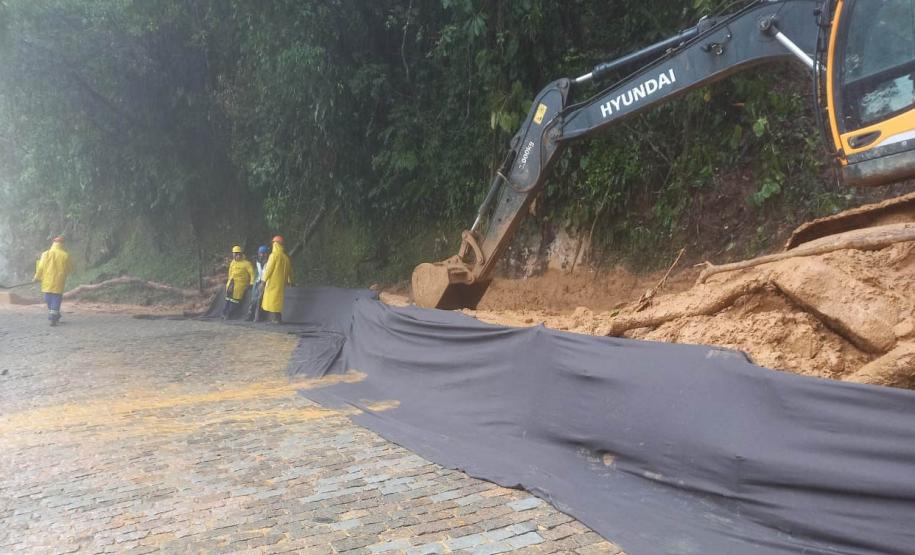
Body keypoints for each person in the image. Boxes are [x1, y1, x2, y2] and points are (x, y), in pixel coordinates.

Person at [33, 236, 73, 326]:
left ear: (53, 243)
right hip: (59, 281)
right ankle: (55, 315)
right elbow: (69, 269)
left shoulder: (45, 254)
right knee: (56, 298)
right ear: (62, 244)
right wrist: (63, 273)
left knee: (48, 299)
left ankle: (53, 317)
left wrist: (37, 277)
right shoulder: (65, 255)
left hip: (47, 281)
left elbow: (40, 268)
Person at [260, 235, 294, 323]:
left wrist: (263, 281)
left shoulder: (273, 256)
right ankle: (277, 318)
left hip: (273, 283)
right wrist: (290, 281)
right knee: (277, 301)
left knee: (272, 301)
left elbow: (269, 269)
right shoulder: (286, 258)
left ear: (275, 244)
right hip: (281, 284)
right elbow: (290, 271)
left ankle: (276, 319)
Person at [222, 245, 255, 319]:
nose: (236, 256)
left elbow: (252, 274)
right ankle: (224, 313)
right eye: (234, 254)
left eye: (238, 254)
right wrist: (229, 282)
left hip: (240, 285)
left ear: (240, 254)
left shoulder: (246, 263)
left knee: (235, 300)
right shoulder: (233, 263)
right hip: (231, 284)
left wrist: (251, 283)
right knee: (228, 299)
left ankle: (230, 315)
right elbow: (230, 273)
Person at [245, 245, 270, 321]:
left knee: (260, 300)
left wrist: (264, 283)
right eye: (260, 253)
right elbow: (256, 273)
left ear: (267, 254)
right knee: (253, 299)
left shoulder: (269, 262)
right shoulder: (257, 262)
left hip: (265, 282)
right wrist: (253, 282)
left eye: (264, 253)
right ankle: (250, 316)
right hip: (258, 282)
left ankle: (258, 317)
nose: (262, 255)